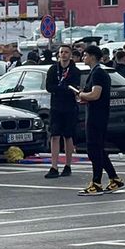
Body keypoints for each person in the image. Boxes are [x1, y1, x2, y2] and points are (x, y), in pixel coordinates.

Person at [76, 45, 123, 195]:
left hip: (97, 116)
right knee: (98, 149)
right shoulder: (96, 72)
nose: (83, 58)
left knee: (94, 149)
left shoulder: (98, 73)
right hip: (96, 114)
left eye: (85, 55)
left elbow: (96, 95)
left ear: (91, 56)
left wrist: (82, 95)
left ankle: (96, 182)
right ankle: (114, 178)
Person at [44, 45, 78, 179]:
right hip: (56, 106)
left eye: (66, 52)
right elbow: (49, 87)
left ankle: (68, 165)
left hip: (69, 107)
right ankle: (54, 166)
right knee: (55, 135)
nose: (63, 55)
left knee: (68, 136)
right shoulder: (53, 69)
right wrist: (61, 88)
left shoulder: (74, 70)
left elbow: (73, 87)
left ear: (70, 55)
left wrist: (61, 88)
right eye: (61, 52)